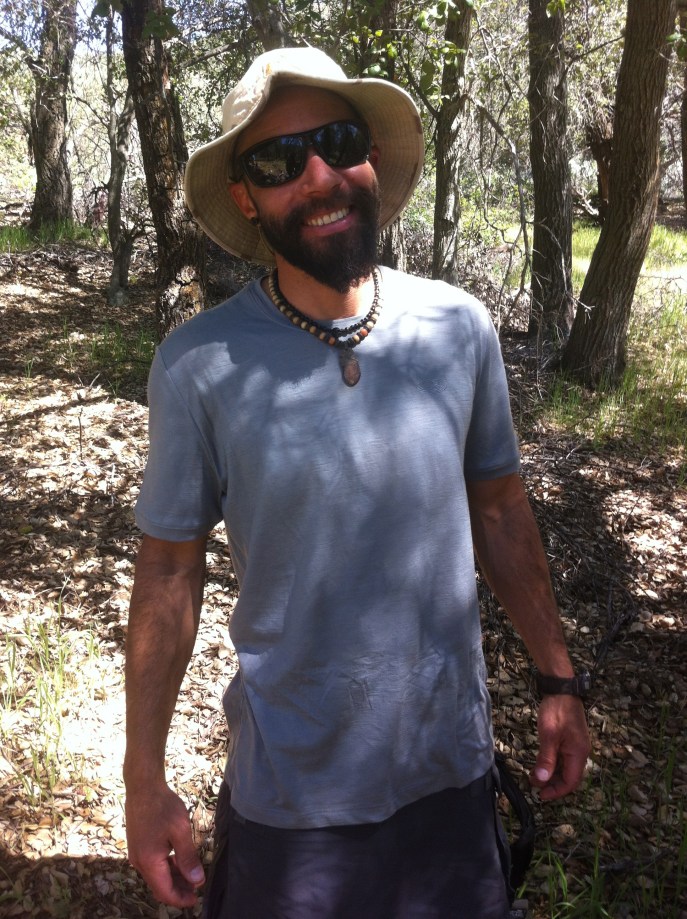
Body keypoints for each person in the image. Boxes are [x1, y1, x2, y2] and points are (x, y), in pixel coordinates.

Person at [123, 46, 591, 919]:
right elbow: (169, 571)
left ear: (369, 156)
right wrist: (143, 779)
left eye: (336, 143)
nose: (317, 177)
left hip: (450, 777)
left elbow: (498, 508)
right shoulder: (198, 365)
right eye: (277, 161)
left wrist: (556, 679)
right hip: (290, 805)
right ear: (245, 197)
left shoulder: (458, 327)